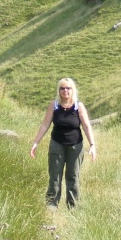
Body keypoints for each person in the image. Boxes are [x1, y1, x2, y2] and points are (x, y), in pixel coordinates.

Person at [29, 78, 96, 208]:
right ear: (59, 90)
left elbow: (86, 126)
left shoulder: (78, 106)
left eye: (68, 88)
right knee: (55, 176)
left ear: (73, 90)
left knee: (73, 176)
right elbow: (45, 125)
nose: (65, 91)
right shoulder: (54, 105)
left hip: (75, 146)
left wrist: (92, 145)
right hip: (56, 145)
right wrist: (35, 143)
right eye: (62, 88)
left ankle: (73, 207)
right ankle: (51, 206)